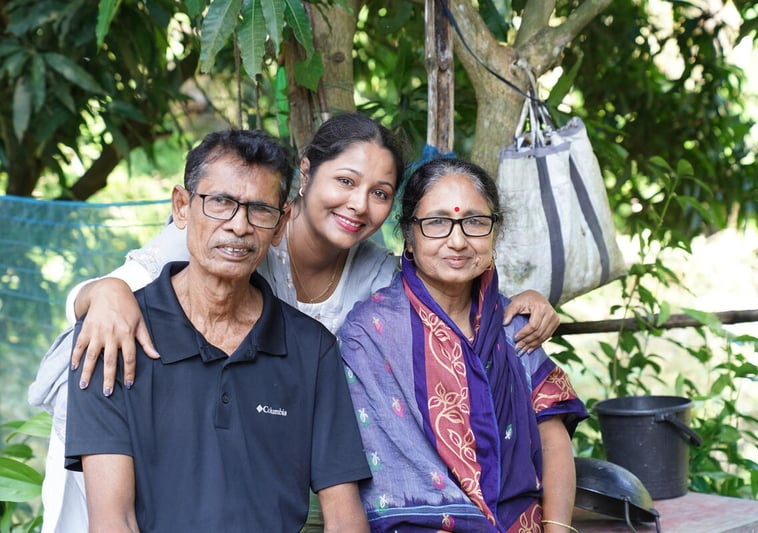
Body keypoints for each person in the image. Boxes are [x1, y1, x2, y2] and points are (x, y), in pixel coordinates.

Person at [29, 113, 559, 532]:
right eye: (346, 180)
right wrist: (104, 293)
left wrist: (521, 298)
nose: (359, 204)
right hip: (133, 438)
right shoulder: (223, 226)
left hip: (258, 458)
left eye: (379, 192)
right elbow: (116, 290)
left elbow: (445, 286)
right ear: (305, 176)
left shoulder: (368, 283)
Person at [65, 129, 371, 532]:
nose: (239, 226)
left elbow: (344, 517)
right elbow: (113, 520)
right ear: (181, 207)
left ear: (280, 225)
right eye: (221, 202)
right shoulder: (112, 334)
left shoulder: (311, 349)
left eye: (260, 210)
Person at [338, 158, 588, 532]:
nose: (457, 241)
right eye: (437, 222)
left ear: (494, 232)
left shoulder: (514, 324)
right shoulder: (369, 333)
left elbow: (552, 441)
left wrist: (557, 529)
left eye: (474, 222)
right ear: (409, 235)